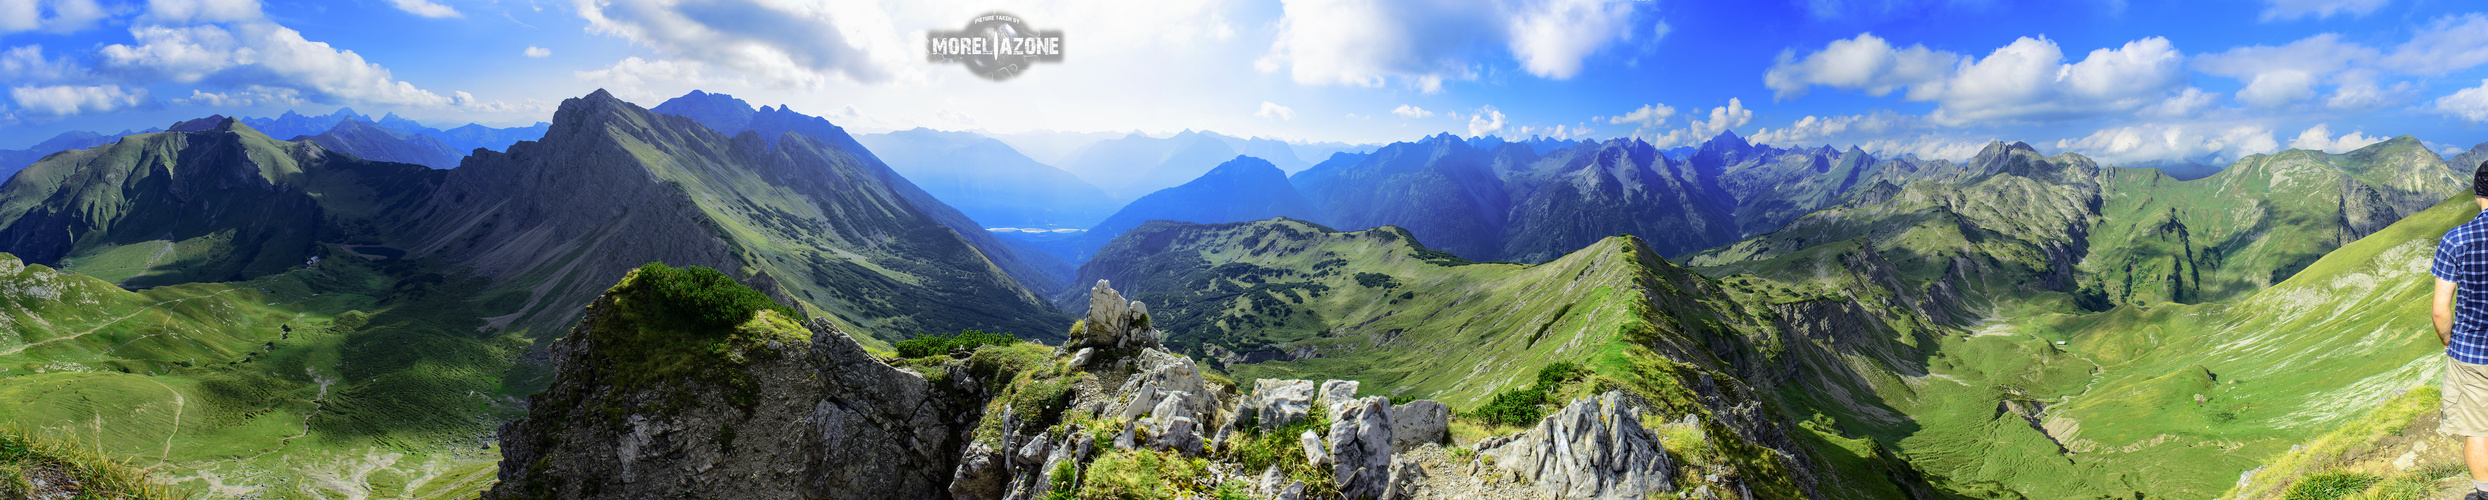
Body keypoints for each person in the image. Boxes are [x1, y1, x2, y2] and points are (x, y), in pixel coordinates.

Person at [2434, 160, 2488, 500]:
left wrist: (2450, 342)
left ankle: (2484, 493)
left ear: (2477, 192)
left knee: (2478, 429)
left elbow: (2441, 311)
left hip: (2471, 352)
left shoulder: (2457, 238)